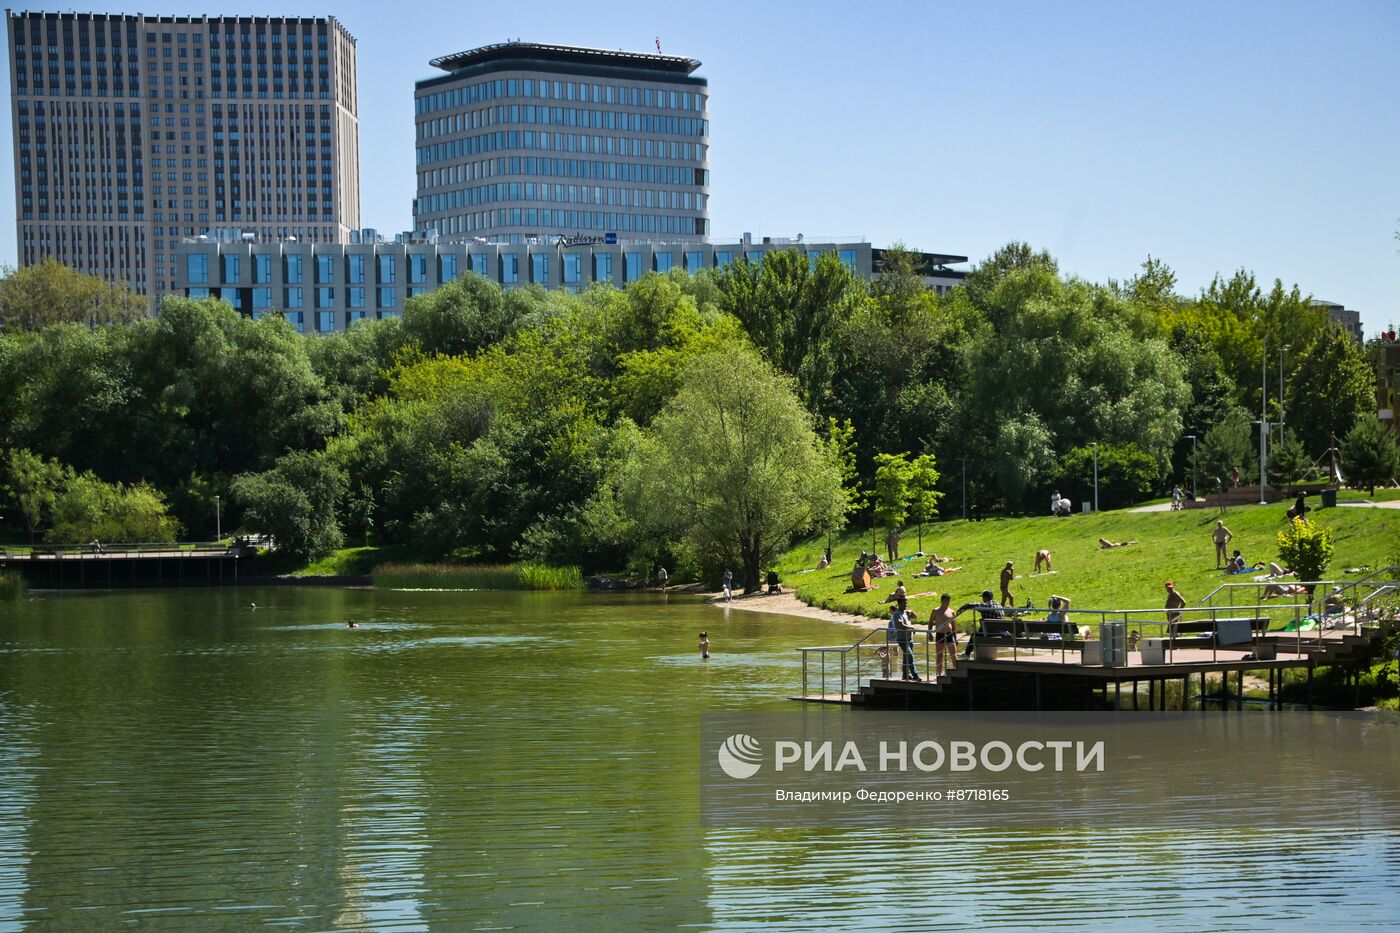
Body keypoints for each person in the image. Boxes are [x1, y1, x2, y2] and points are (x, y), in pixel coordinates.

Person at [957, 590, 1005, 660]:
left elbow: (971, 605)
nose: (982, 599)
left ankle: (967, 654)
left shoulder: (986, 606)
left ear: (985, 598)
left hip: (989, 632)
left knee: (974, 634)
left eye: (983, 598)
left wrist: (963, 607)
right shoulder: (999, 606)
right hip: (999, 632)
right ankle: (967, 653)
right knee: (979, 630)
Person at [927, 593, 958, 677]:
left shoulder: (951, 612)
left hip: (949, 635)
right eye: (945, 601)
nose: (947, 603)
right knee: (939, 656)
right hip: (939, 634)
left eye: (948, 601)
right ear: (941, 601)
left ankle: (957, 672)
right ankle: (939, 674)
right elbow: (930, 622)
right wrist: (929, 633)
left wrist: (956, 638)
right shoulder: (935, 611)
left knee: (953, 655)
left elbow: (954, 626)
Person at [891, 606, 921, 682]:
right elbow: (900, 625)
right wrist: (911, 627)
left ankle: (905, 674)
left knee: (906, 656)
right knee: (909, 655)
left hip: (909, 639)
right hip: (902, 639)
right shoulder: (897, 614)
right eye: (904, 602)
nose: (906, 604)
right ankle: (915, 675)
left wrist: (911, 612)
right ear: (900, 603)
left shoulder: (906, 613)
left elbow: (915, 617)